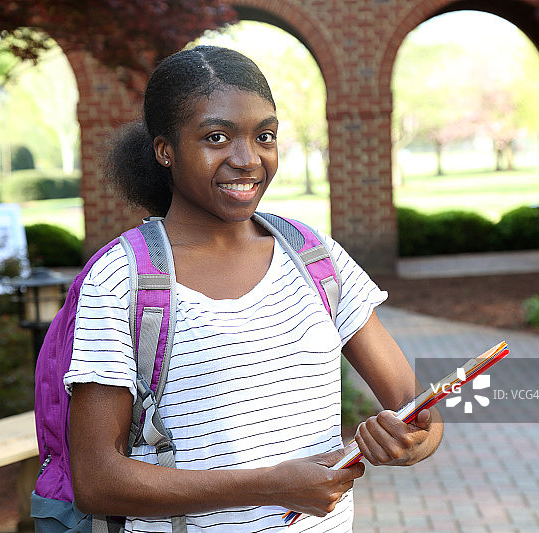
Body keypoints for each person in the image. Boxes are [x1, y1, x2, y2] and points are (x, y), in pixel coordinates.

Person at [63, 45, 442, 532]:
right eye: (216, 137)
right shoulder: (121, 280)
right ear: (165, 150)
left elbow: (418, 408)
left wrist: (410, 442)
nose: (247, 160)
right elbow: (97, 479)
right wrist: (268, 486)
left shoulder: (315, 257)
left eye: (264, 136)